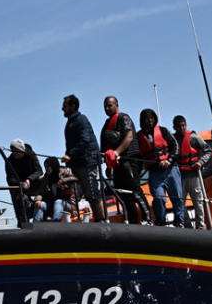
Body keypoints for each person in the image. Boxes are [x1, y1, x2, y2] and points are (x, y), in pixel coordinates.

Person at [100, 96, 148, 224]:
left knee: (135, 190)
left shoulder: (123, 118)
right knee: (124, 194)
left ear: (116, 105)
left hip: (129, 160)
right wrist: (109, 167)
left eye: (110, 105)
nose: (107, 108)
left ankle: (147, 218)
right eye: (105, 106)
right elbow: (106, 148)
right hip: (117, 164)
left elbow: (129, 136)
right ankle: (132, 221)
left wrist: (117, 152)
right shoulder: (106, 125)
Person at [136, 108, 185, 227]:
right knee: (158, 198)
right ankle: (160, 223)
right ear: (142, 120)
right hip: (154, 173)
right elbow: (136, 155)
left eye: (152, 117)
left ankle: (180, 223)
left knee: (177, 197)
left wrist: (169, 160)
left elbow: (175, 147)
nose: (150, 120)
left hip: (171, 169)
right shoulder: (138, 137)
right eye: (147, 118)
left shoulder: (163, 131)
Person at [61, 94, 105, 222]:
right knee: (87, 192)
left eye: (65, 106)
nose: (62, 109)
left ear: (73, 106)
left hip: (87, 161)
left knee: (92, 192)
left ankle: (101, 220)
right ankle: (99, 219)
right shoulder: (71, 122)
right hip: (79, 163)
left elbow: (85, 140)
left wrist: (70, 155)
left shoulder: (81, 120)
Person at [173, 115, 212, 230]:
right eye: (179, 126)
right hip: (180, 176)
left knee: (198, 202)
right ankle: (188, 226)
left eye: (183, 125)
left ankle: (200, 227)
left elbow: (208, 151)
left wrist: (200, 162)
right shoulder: (173, 140)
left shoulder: (193, 137)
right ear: (174, 127)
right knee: (180, 203)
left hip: (194, 175)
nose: (182, 128)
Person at [5, 139, 44, 223]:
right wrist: (19, 183)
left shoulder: (31, 155)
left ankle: (40, 209)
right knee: (14, 191)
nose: (14, 154)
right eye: (13, 152)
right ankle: (21, 220)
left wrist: (29, 179)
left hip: (33, 182)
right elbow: (9, 178)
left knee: (43, 181)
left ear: (22, 150)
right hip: (19, 185)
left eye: (16, 152)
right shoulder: (9, 161)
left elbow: (39, 171)